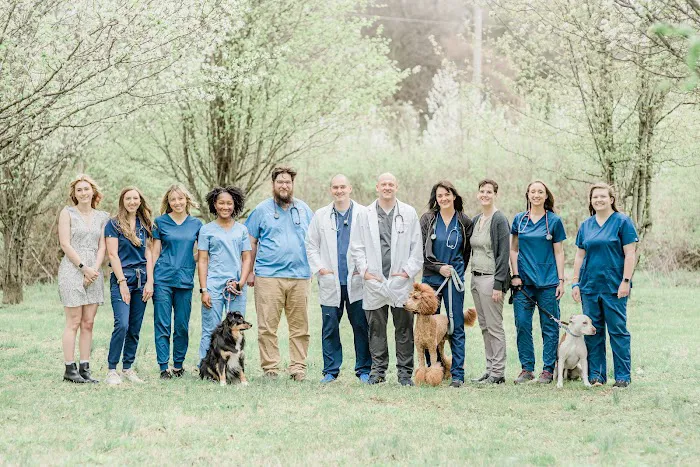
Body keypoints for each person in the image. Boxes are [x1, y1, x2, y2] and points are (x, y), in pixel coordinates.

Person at [350, 173, 423, 386]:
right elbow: (357, 246)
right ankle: (378, 371)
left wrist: (407, 271)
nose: (387, 187)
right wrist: (364, 271)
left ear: (396, 187)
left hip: (401, 281)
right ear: (377, 187)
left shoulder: (408, 212)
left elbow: (416, 246)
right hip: (374, 280)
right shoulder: (364, 214)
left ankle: (404, 374)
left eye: (391, 184)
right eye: (384, 184)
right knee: (376, 329)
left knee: (404, 329)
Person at [245, 167, 314, 381]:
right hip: (268, 276)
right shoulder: (261, 210)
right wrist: (249, 272)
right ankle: (270, 368)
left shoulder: (304, 209)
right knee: (267, 326)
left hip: (300, 276)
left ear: (292, 185)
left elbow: (314, 241)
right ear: (273, 184)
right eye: (280, 182)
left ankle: (298, 367)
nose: (284, 185)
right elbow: (251, 243)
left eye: (288, 182)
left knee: (300, 327)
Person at [305, 174, 371, 384]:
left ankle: (364, 369)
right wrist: (320, 269)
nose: (339, 191)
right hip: (331, 280)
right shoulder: (321, 215)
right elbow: (311, 245)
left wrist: (364, 268)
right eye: (335, 187)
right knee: (330, 327)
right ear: (330, 190)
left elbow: (371, 244)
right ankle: (330, 370)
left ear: (350, 188)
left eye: (343, 187)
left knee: (361, 326)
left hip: (356, 280)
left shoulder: (364, 213)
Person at [572, 182, 638, 388]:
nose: (598, 200)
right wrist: (575, 282)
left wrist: (626, 281)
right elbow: (579, 255)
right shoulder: (586, 225)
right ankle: (596, 375)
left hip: (614, 287)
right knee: (593, 331)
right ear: (591, 201)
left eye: (603, 196)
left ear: (611, 199)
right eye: (595, 197)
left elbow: (630, 254)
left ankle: (622, 376)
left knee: (618, 331)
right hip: (589, 287)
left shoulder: (622, 222)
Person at [510, 180, 566, 384]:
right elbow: (513, 249)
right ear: (527, 195)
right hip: (523, 283)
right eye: (532, 191)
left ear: (546, 195)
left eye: (540, 192)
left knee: (549, 326)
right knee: (522, 325)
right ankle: (527, 369)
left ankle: (548, 370)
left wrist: (561, 280)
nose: (536, 195)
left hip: (548, 282)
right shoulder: (519, 220)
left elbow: (559, 252)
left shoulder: (554, 221)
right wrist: (515, 275)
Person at [419, 180, 473, 388]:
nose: (443, 198)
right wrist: (438, 268)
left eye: (447, 194)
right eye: (439, 195)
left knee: (455, 325)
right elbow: (422, 252)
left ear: (454, 196)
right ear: (436, 198)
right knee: (427, 327)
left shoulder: (464, 221)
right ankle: (433, 369)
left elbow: (466, 253)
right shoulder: (428, 219)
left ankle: (457, 374)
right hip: (431, 279)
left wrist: (455, 270)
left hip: (454, 279)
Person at [57, 174, 110, 383]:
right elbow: (65, 244)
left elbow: (102, 247)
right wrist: (83, 268)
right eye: (79, 190)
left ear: (93, 191)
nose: (83, 193)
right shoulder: (67, 213)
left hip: (94, 272)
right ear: (74, 194)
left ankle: (85, 368)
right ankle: (69, 369)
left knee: (88, 322)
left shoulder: (103, 217)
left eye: (86, 189)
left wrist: (93, 271)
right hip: (72, 270)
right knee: (73, 322)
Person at [151, 184, 203, 379]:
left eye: (180, 198)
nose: (177, 202)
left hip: (185, 280)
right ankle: (164, 367)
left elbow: (201, 253)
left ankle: (178, 365)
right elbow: (155, 252)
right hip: (162, 279)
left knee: (181, 325)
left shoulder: (196, 224)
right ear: (168, 202)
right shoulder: (160, 222)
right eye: (173, 199)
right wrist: (150, 280)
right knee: (162, 323)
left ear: (186, 200)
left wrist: (191, 259)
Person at [104, 187, 154, 385]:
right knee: (122, 324)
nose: (132, 202)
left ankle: (127, 368)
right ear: (122, 201)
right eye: (128, 198)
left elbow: (149, 253)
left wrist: (150, 281)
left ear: (140, 201)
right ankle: (111, 369)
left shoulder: (145, 224)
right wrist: (122, 283)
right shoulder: (113, 224)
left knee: (134, 327)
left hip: (142, 280)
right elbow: (112, 254)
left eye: (135, 198)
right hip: (122, 278)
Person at [198, 186, 252, 365]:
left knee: (236, 329)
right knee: (210, 328)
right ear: (214, 204)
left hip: (236, 287)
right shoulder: (206, 230)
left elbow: (247, 258)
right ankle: (206, 366)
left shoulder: (242, 230)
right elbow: (202, 260)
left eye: (229, 203)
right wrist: (204, 290)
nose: (225, 207)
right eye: (221, 203)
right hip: (213, 285)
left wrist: (241, 282)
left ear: (234, 205)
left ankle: (233, 366)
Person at [469, 179, 510, 385]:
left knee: (494, 327)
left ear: (495, 194)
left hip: (491, 279)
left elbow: (503, 254)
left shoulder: (499, 219)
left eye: (489, 192)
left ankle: (498, 372)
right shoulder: (476, 220)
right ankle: (489, 369)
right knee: (484, 327)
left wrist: (498, 284)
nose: (485, 195)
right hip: (475, 279)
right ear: (478, 194)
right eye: (482, 191)